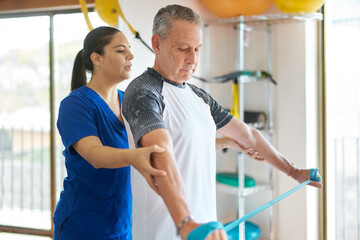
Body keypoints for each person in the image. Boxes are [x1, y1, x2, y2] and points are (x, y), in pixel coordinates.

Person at [122, 4, 323, 240]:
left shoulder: (198, 96)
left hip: (205, 230)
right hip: (165, 231)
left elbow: (248, 136)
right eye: (183, 49)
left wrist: (293, 171)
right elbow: (159, 155)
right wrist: (185, 223)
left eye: (197, 49)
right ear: (157, 43)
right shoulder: (143, 92)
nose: (193, 59)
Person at [52, 26, 169, 240]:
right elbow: (95, 155)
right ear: (97, 58)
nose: (130, 55)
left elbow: (161, 139)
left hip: (122, 221)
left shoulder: (130, 101)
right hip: (83, 225)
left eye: (129, 49)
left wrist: (220, 142)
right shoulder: (75, 104)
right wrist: (136, 157)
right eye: (120, 50)